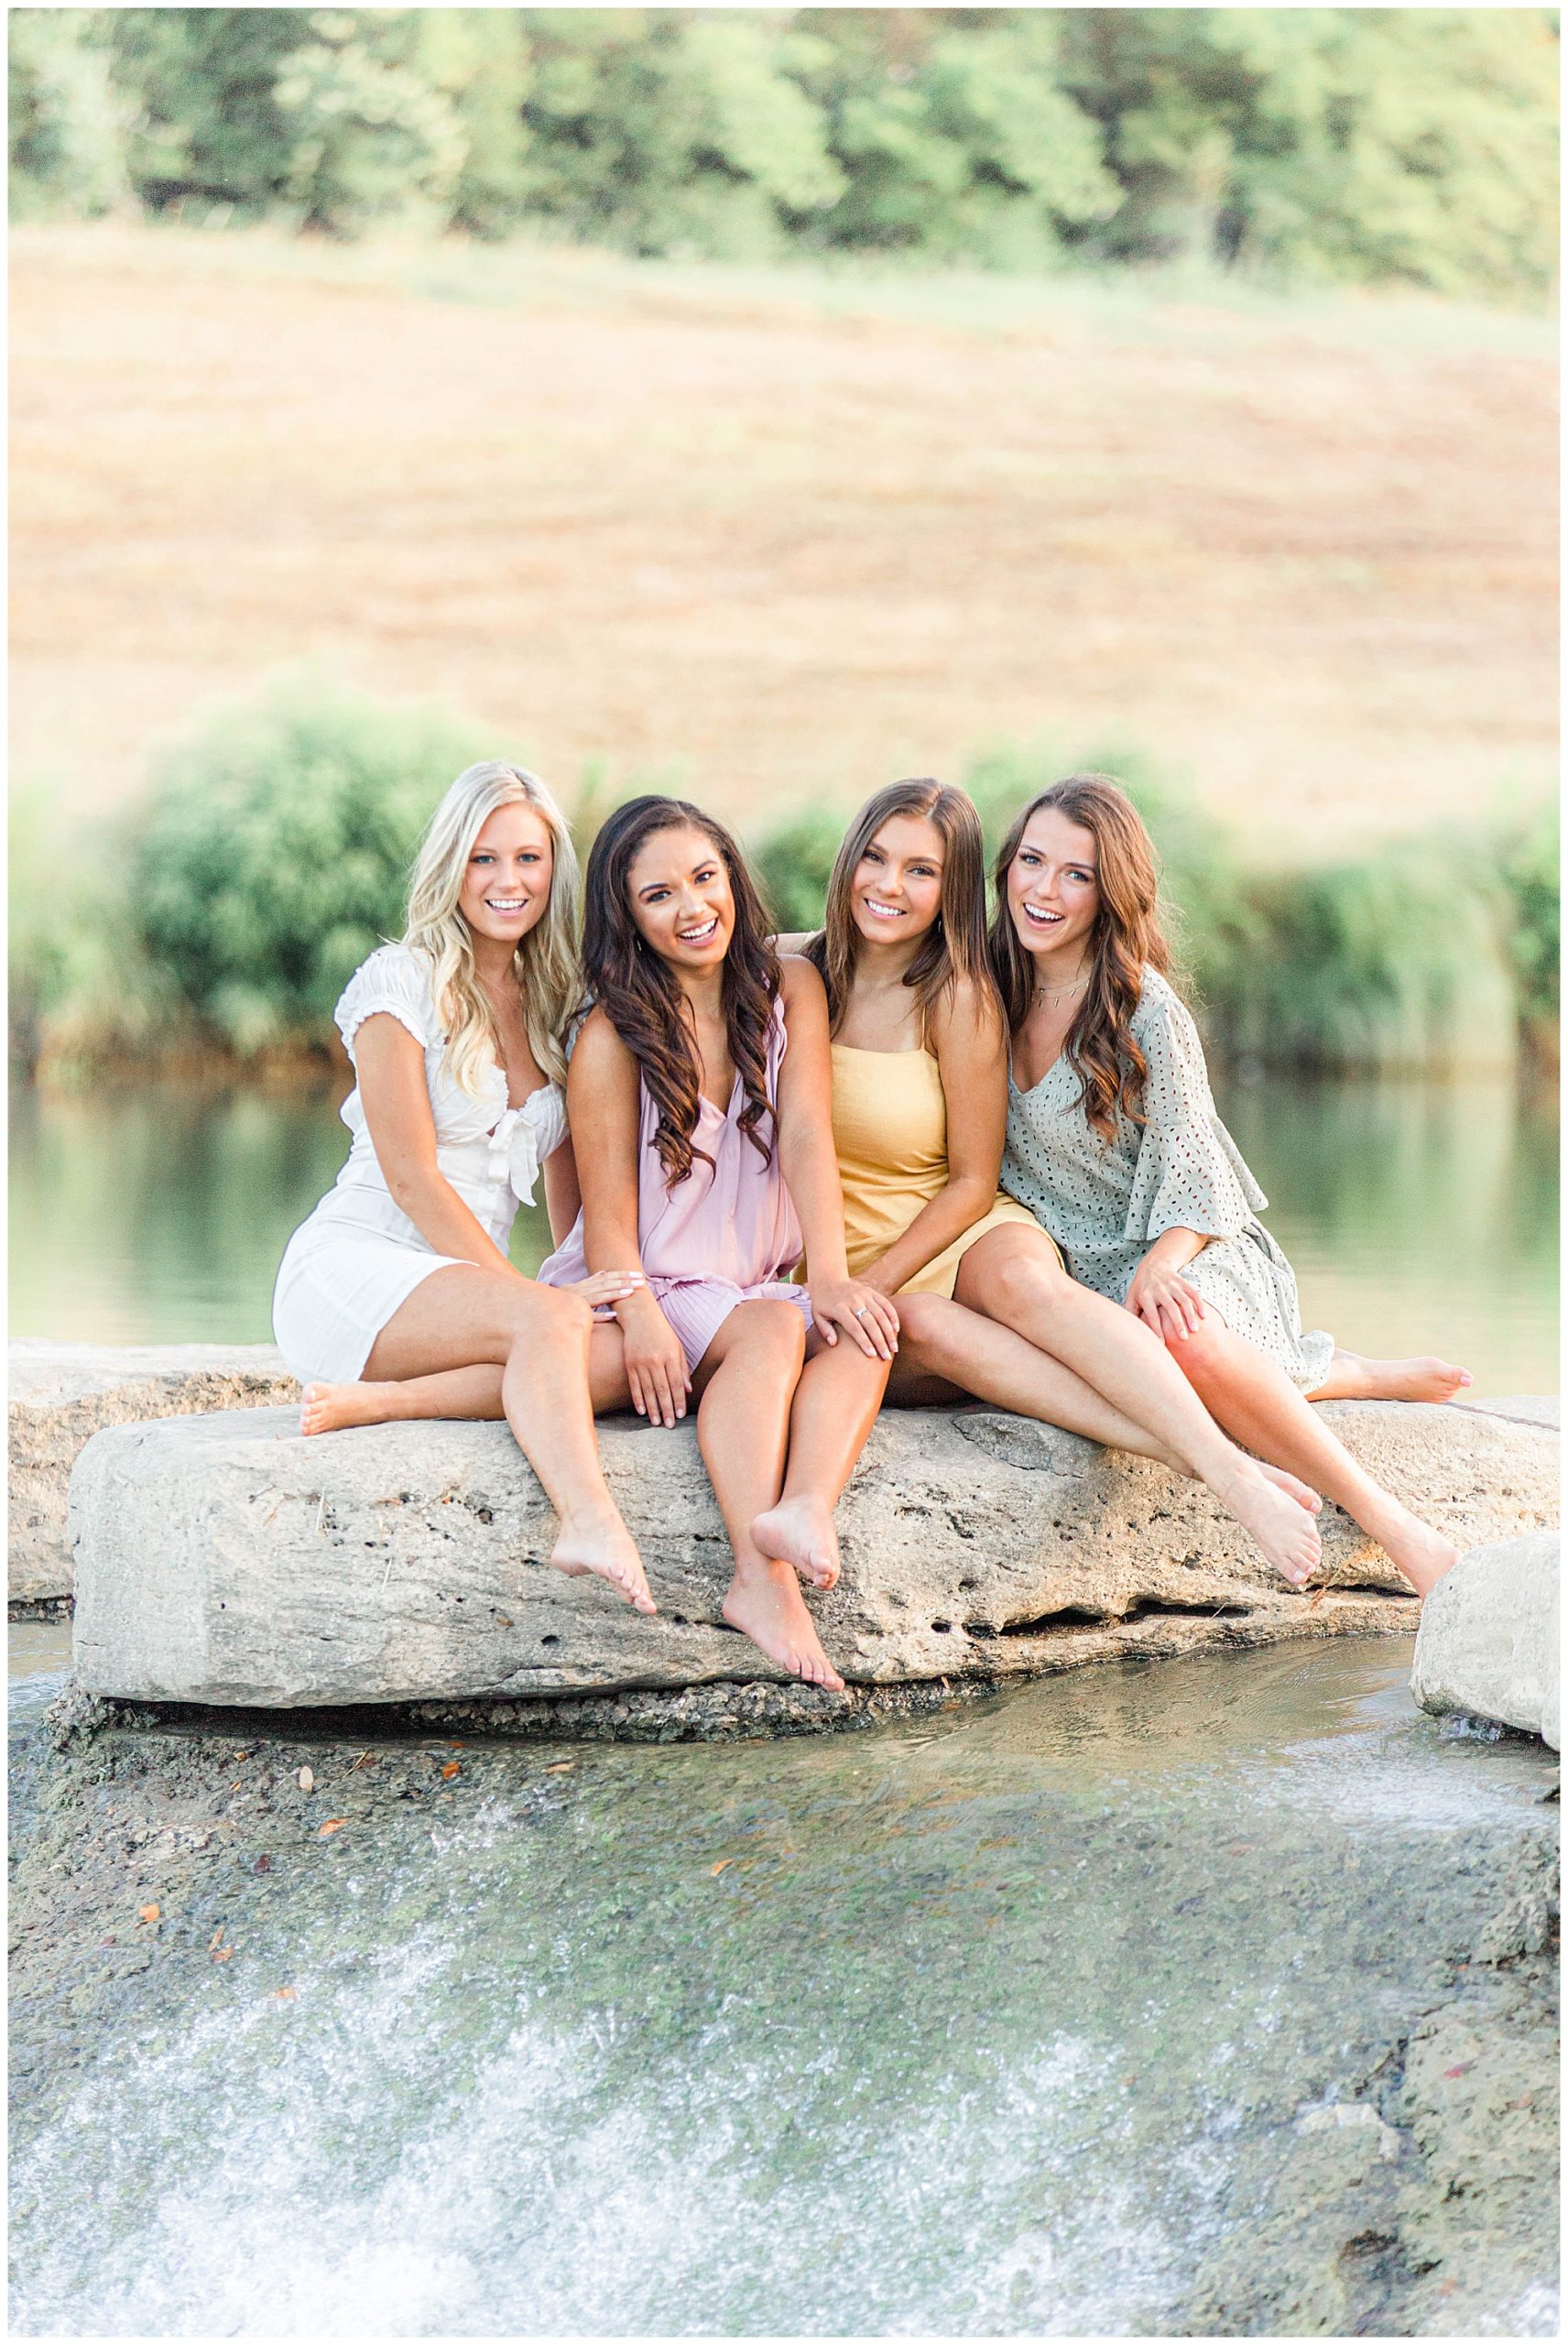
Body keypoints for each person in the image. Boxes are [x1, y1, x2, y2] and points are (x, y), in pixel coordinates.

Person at [797, 779, 1329, 1590]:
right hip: (861, 1260)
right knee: (918, 1327)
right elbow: (696, 955)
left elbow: (983, 1181)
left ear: (953, 890)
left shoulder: (967, 992)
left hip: (968, 1233)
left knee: (1023, 1284)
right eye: (874, 858)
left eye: (922, 871)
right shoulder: (796, 971)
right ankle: (1278, 1418)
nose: (889, 884)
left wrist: (861, 1282)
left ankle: (1233, 1477)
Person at [996, 772, 1471, 1597]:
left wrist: (1165, 1262)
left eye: (1076, 874)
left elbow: (1199, 1173)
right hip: (1071, 1273)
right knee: (1129, 1354)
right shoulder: (981, 987)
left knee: (1181, 1336)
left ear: (1111, 894)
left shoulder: (1144, 1010)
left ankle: (1395, 1525)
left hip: (1185, 1249)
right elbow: (860, 946)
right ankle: (1335, 1371)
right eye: (1032, 861)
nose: (1045, 890)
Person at [272, 760, 654, 1615]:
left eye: (528, 858)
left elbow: (570, 1197)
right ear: (451, 865)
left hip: (462, 1297)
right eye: (484, 859)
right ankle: (588, 1517)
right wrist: (533, 1305)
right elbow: (410, 1177)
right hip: (355, 1270)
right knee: (548, 1326)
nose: (508, 881)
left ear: (555, 868)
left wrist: (578, 1291)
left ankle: (387, 1404)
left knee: (631, 1357)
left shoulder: (561, 1005)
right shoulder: (397, 983)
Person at [538, 795, 898, 1691]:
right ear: (626, 918)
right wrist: (640, 1316)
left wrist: (830, 1275)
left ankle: (802, 1510)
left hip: (751, 1279)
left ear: (732, 877)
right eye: (659, 895)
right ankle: (757, 1576)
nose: (692, 907)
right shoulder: (608, 1037)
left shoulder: (792, 989)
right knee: (770, 1334)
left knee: (865, 1327)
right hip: (654, 1278)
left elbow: (809, 1131)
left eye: (705, 878)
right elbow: (606, 1214)